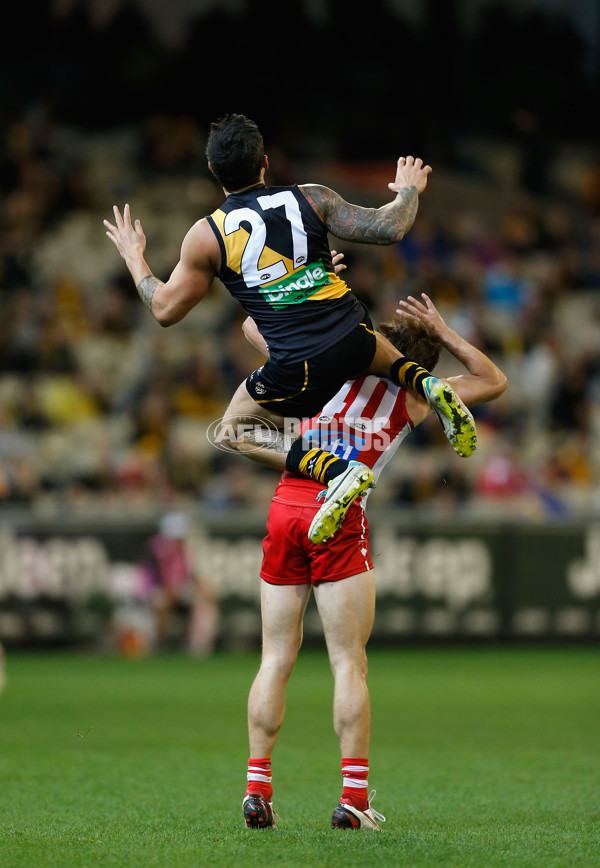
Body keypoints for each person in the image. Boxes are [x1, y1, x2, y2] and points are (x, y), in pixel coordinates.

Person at [103, 114, 477, 541]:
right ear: (265, 162)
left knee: (231, 430)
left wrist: (134, 256)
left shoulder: (206, 236)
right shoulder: (313, 197)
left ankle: (333, 470)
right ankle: (424, 382)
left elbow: (165, 309)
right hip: (355, 333)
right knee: (366, 339)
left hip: (300, 367)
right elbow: (391, 226)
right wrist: (409, 188)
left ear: (212, 171)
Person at [239, 292, 507, 830]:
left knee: (274, 658)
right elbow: (493, 380)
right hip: (340, 514)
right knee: (348, 663)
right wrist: (445, 332)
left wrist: (313, 293)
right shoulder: (418, 399)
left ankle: (257, 788)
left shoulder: (331, 365)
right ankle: (354, 800)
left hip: (289, 501)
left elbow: (253, 324)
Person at [136, 512, 219, 655]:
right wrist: (166, 591)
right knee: (159, 603)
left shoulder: (186, 551)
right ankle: (157, 646)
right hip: (156, 592)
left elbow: (193, 575)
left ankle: (198, 648)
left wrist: (203, 589)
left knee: (205, 605)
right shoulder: (155, 549)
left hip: (180, 592)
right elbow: (147, 580)